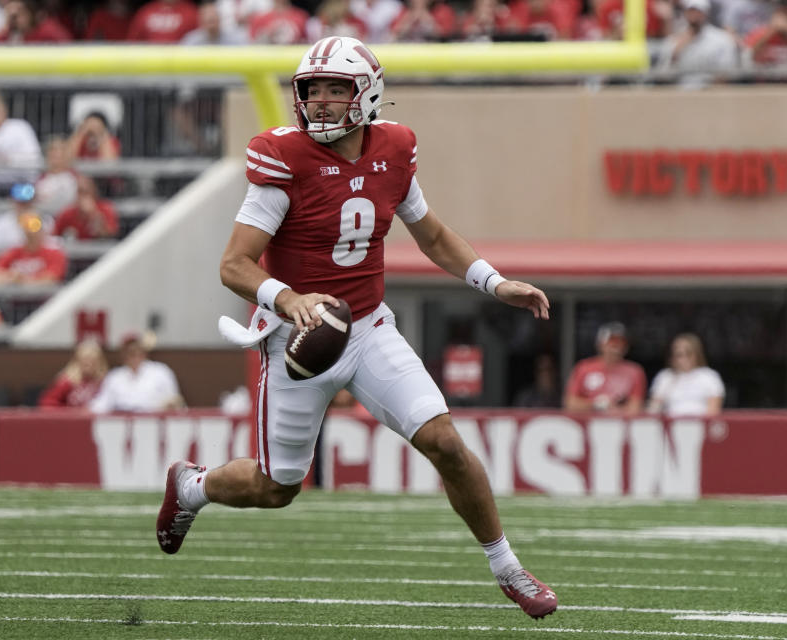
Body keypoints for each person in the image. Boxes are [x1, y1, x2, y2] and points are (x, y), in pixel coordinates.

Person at [155, 36, 557, 620]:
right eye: (311, 90)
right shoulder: (282, 158)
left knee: (444, 441)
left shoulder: (395, 148)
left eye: (334, 90)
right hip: (296, 340)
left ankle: (507, 567)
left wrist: (495, 284)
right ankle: (192, 487)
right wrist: (290, 300)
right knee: (278, 488)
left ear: (366, 95)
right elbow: (234, 265)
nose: (319, 101)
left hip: (368, 327)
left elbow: (435, 238)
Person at [564, 321, 647, 415]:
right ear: (600, 344)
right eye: (612, 341)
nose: (617, 347)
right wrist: (595, 404)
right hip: (588, 424)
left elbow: (635, 408)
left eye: (622, 342)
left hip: (619, 425)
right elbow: (570, 404)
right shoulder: (584, 368)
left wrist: (613, 409)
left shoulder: (635, 371)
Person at [89, 332, 185, 413]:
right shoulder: (114, 376)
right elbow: (102, 404)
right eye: (130, 351)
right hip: (122, 427)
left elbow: (176, 402)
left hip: (154, 424)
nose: (135, 355)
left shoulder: (161, 371)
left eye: (137, 350)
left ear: (144, 352)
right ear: (123, 354)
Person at [647, 333, 725, 417]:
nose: (683, 359)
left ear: (696, 354)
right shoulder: (665, 377)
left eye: (687, 353)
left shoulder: (709, 376)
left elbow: (713, 410)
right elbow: (653, 409)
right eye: (678, 355)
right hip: (671, 426)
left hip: (700, 425)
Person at [0, 213, 67, 284]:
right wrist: (11, 277)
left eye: (35, 227)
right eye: (27, 228)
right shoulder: (14, 252)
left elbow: (52, 279)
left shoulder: (54, 252)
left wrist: (23, 279)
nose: (30, 233)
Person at [657, 0, 738, 72]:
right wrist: (676, 51)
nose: (694, 15)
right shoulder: (674, 40)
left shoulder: (722, 39)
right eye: (691, 11)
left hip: (711, 86)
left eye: (698, 11)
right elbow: (663, 73)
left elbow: (726, 73)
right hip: (681, 86)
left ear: (706, 13)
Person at [38, 339, 109, 408]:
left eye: (93, 361)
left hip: (96, 419)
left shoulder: (105, 381)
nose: (89, 364)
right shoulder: (68, 380)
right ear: (77, 361)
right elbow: (47, 403)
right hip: (70, 418)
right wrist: (69, 412)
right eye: (85, 360)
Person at [0, 183, 54, 250]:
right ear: (13, 201)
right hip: (9, 259)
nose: (24, 206)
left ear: (33, 201)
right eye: (20, 202)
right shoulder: (2, 221)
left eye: (27, 202)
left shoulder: (45, 220)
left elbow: (51, 245)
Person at [53, 175, 120, 240]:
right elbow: (54, 235)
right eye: (80, 192)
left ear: (93, 192)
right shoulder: (68, 213)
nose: (83, 196)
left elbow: (110, 236)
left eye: (86, 192)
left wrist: (93, 214)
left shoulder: (105, 208)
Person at [34, 136, 80, 216]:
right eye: (52, 153)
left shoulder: (75, 179)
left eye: (59, 153)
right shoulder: (40, 179)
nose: (55, 157)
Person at [127, 0, 199, 42]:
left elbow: (199, 40)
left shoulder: (191, 11)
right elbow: (133, 41)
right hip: (149, 61)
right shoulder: (146, 11)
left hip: (180, 62)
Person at [181, 0, 250, 43]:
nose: (211, 25)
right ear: (201, 21)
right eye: (208, 21)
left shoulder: (235, 39)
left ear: (219, 19)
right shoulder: (192, 41)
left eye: (213, 20)